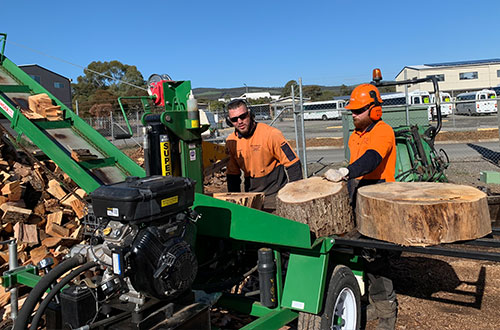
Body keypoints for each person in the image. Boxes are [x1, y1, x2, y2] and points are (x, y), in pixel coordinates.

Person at [324, 84, 397, 330]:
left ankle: (387, 312)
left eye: (358, 110)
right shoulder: (355, 134)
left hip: (379, 196)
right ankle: (374, 301)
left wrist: (346, 171)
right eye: (351, 111)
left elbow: (372, 159)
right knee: (360, 251)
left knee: (376, 255)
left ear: (375, 110)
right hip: (359, 192)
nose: (353, 114)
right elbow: (358, 162)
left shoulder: (383, 131)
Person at [225, 99, 303, 211]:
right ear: (230, 121)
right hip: (251, 195)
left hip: (276, 192)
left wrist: (295, 196)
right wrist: (235, 204)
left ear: (250, 114)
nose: (239, 121)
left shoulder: (271, 134)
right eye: (234, 119)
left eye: (243, 116)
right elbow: (233, 175)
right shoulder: (231, 141)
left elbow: (293, 163)